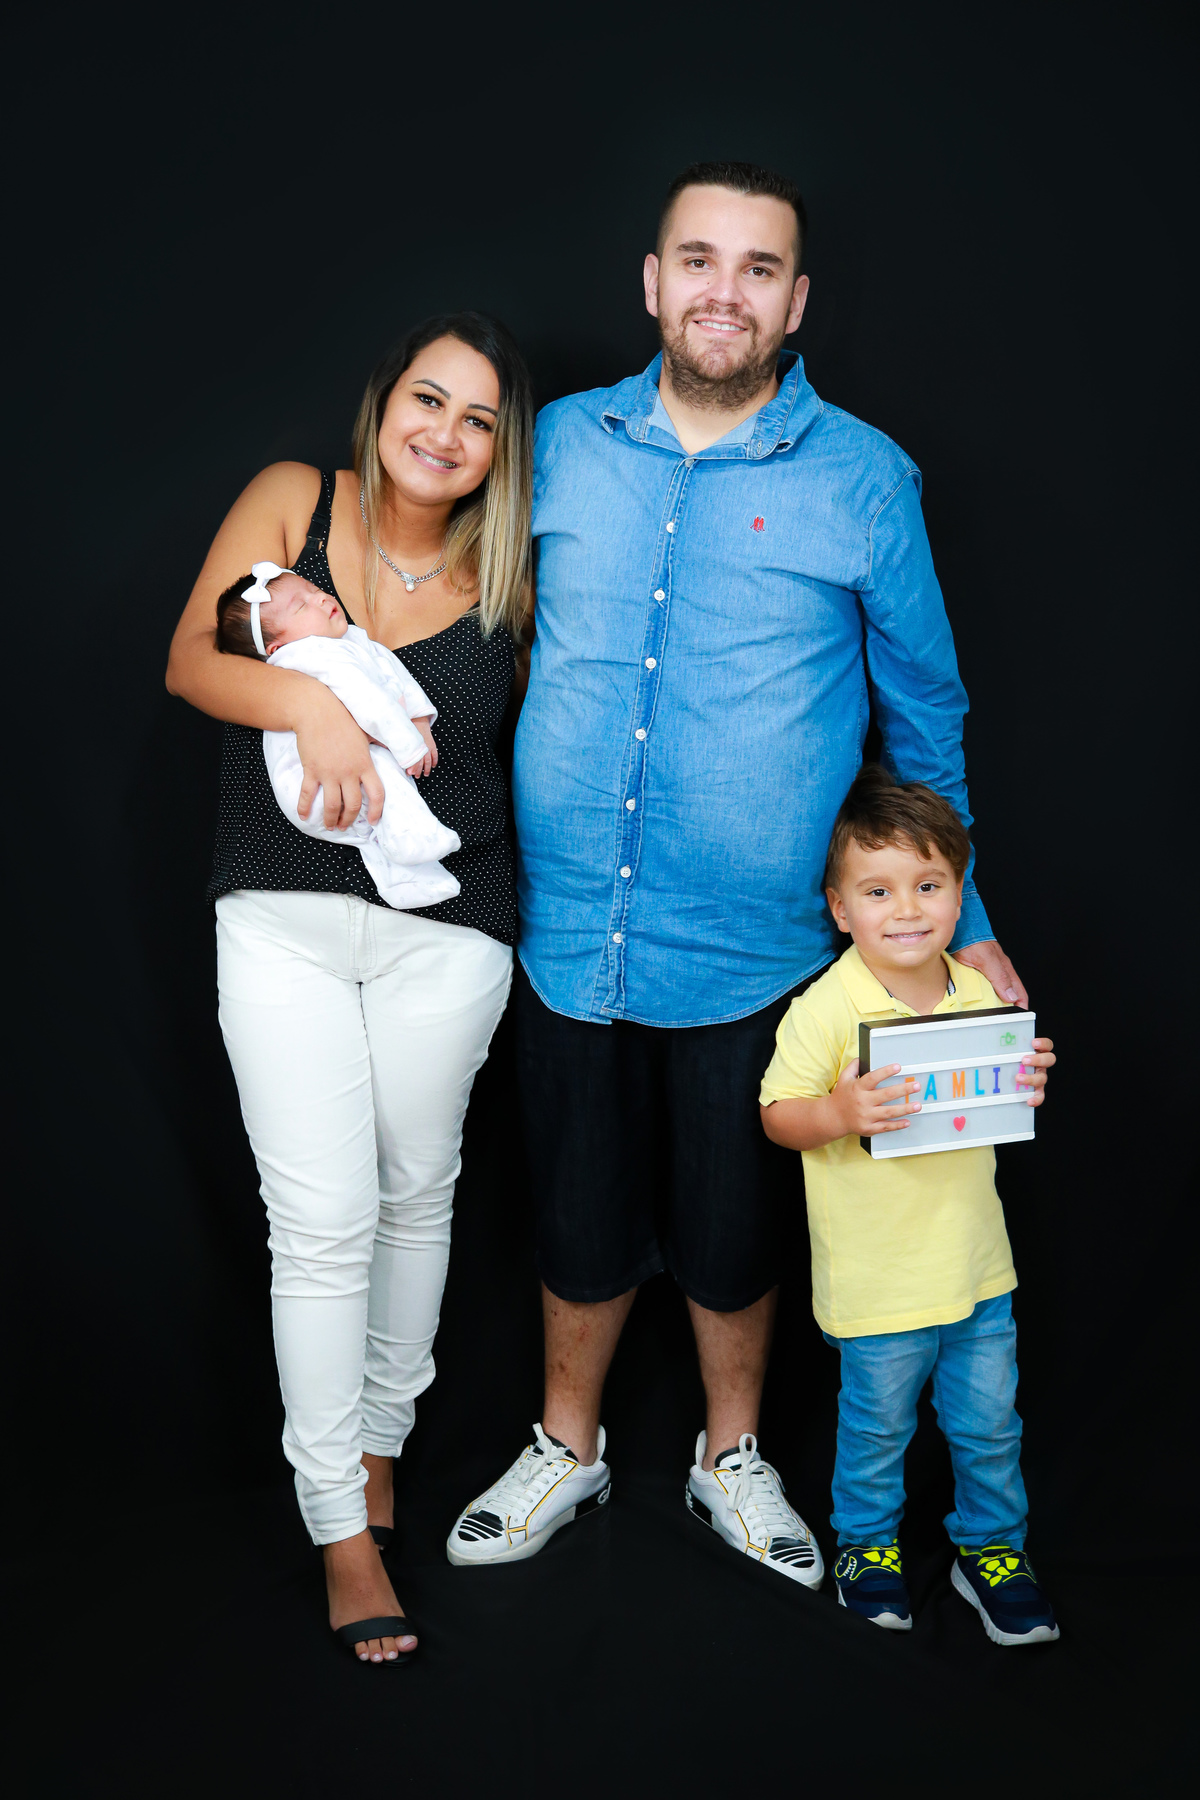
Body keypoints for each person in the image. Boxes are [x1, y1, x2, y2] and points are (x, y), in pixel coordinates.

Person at [447, 162, 1033, 1589]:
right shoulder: (558, 443)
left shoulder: (867, 477)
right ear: (653, 282)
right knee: (577, 1210)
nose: (725, 291)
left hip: (762, 948)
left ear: (797, 300)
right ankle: (567, 1447)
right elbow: (453, 602)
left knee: (733, 1221)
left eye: (758, 268)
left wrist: (967, 928)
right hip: (569, 928)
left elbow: (924, 716)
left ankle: (731, 1458)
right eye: (698, 260)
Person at [166, 312, 533, 1663]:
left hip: (455, 926)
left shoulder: (512, 570)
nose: (445, 432)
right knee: (321, 1219)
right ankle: (338, 1524)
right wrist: (312, 705)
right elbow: (194, 660)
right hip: (283, 918)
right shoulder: (293, 503)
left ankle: (381, 1443)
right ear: (383, 404)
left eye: (479, 418)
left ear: (501, 450)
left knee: (416, 1190)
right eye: (428, 399)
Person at [759, 765, 1059, 1645]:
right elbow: (777, 1115)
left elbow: (995, 1105)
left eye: (928, 886)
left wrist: (1025, 1081)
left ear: (960, 897)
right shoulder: (824, 1009)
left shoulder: (980, 997)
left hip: (976, 1270)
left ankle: (992, 1550)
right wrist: (839, 1113)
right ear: (840, 908)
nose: (907, 910)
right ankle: (866, 1547)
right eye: (878, 890)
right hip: (877, 1283)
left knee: (989, 1429)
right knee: (877, 1432)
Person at [216, 562, 461, 906]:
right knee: (383, 774)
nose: (320, 599)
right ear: (275, 647)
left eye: (314, 590)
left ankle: (405, 880)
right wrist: (409, 745)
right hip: (315, 786)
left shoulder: (351, 639)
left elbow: (394, 671)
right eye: (301, 606)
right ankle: (414, 837)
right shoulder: (305, 655)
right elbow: (367, 699)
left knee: (378, 808)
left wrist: (418, 719)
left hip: (348, 781)